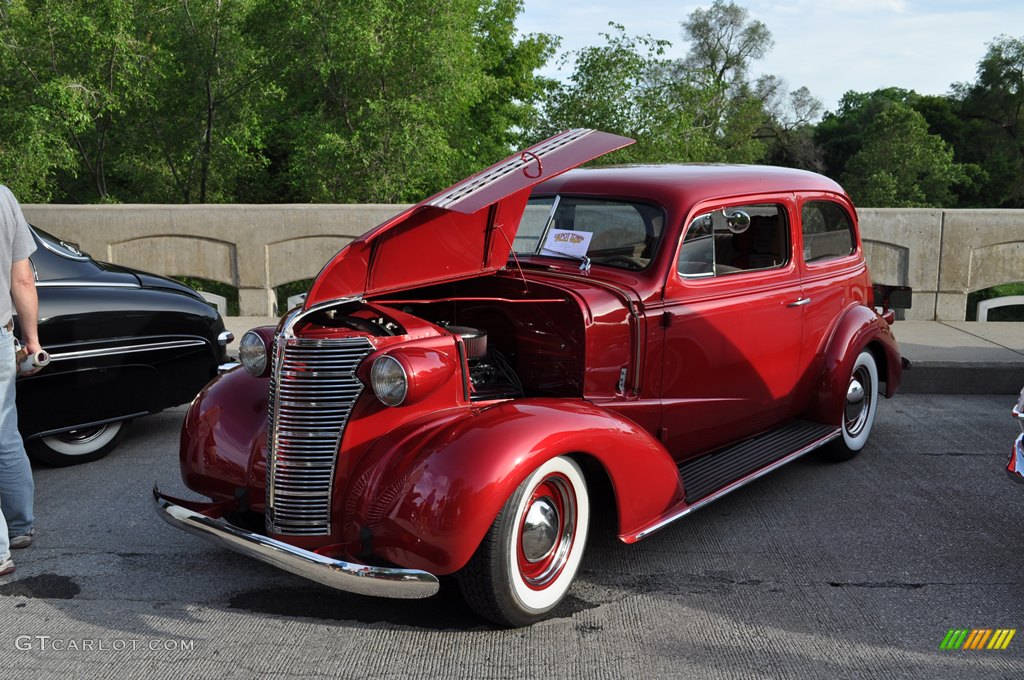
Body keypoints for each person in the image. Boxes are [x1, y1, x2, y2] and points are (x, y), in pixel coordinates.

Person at [0, 184, 39, 577]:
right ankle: (19, 527)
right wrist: (31, 340)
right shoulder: (4, 197)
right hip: (0, 335)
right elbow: (22, 280)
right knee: (5, 433)